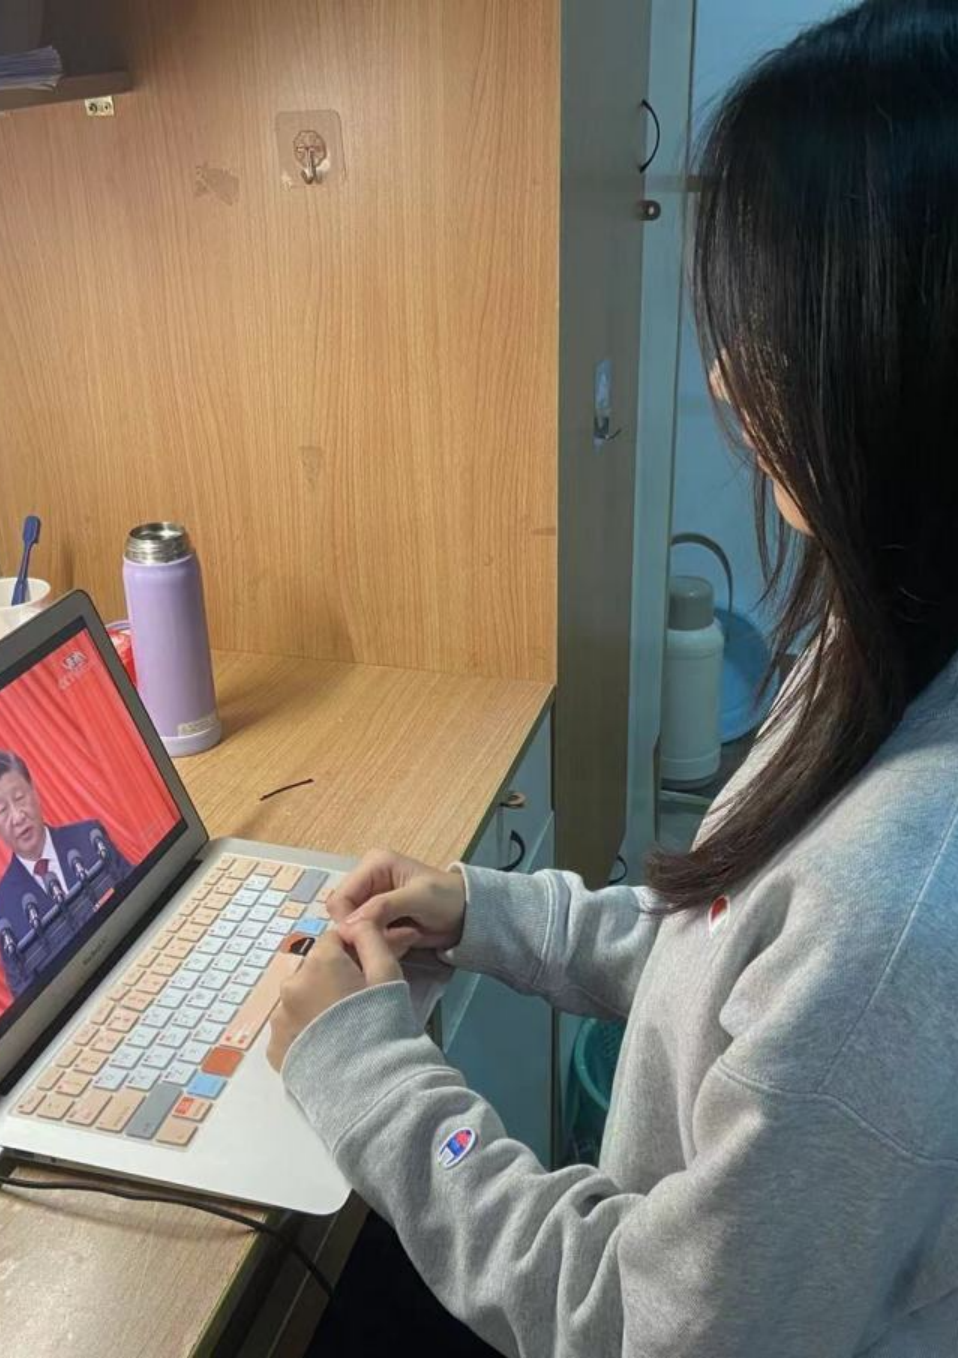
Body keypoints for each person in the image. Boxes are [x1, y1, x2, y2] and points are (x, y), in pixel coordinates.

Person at [265, 3, 958, 1354]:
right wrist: (490, 911)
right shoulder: (883, 653)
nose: (726, 378)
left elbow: (645, 1319)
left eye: (772, 329)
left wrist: (373, 1074)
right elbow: (727, 956)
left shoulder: (896, 914)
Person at [0, 750, 133, 996]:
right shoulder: (2, 910)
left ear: (34, 791)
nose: (17, 816)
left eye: (20, 798)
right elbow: (26, 994)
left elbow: (141, 894)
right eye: (2, 810)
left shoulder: (89, 837)